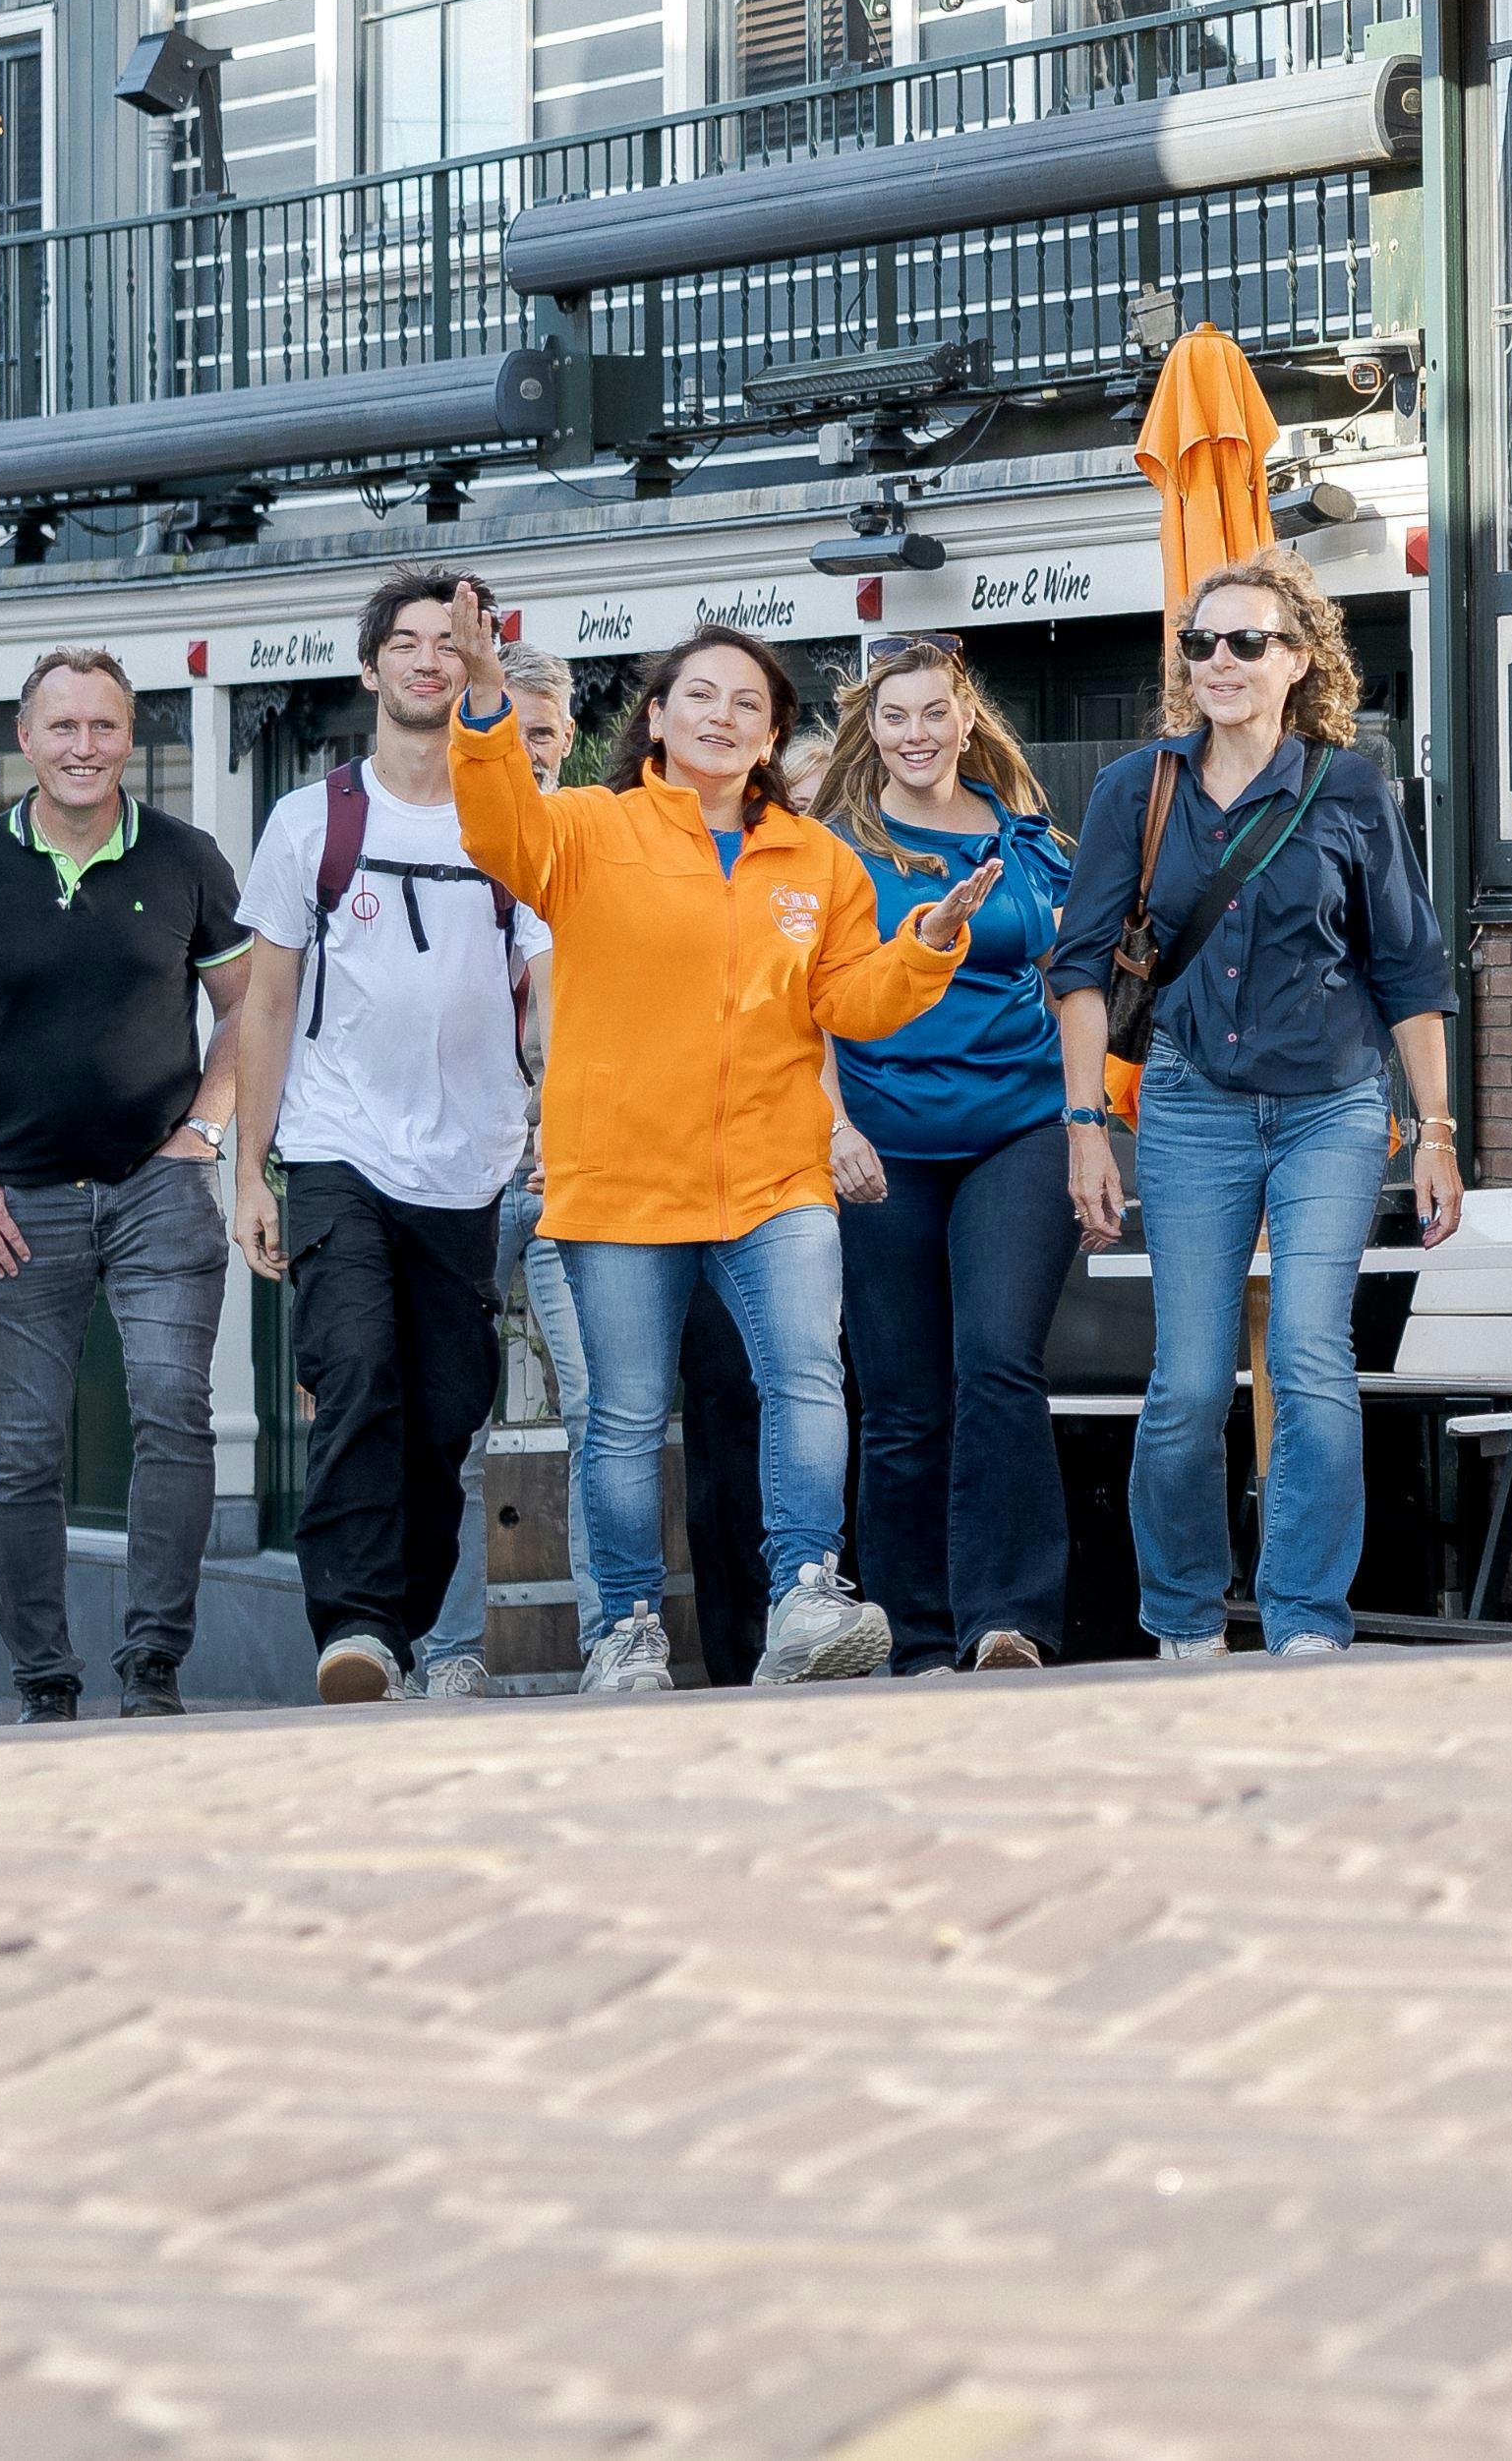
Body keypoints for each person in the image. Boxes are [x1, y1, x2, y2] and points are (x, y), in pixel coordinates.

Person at [447, 617, 989, 1689]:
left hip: (772, 1174)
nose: (722, 716)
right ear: (656, 717)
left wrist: (925, 949)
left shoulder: (815, 857)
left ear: (774, 734)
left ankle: (804, 1595)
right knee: (625, 1417)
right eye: (700, 696)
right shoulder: (586, 830)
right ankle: (627, 1630)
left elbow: (849, 1002)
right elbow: (496, 827)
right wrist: (481, 702)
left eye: (748, 704)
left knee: (803, 1380)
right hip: (619, 1180)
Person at [1044, 557, 1457, 1666]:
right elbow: (1079, 967)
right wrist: (1086, 1123)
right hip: (1187, 1108)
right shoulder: (1137, 789)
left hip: (1330, 1108)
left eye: (1245, 643)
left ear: (1298, 662)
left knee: (1314, 1357)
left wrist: (1436, 1133)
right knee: (1184, 1381)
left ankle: (1305, 1622)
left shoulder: (1351, 789)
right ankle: (1182, 1620)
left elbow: (1410, 972)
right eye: (1199, 643)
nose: (1217, 663)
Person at [0, 648, 251, 1723]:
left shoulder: (187, 860)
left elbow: (245, 1010)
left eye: (104, 728)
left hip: (156, 1189)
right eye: (63, 728)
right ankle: (44, 1683)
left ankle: (153, 1670)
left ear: (131, 740)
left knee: (176, 1412)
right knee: (25, 1450)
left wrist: (206, 1135)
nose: (84, 747)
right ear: (25, 740)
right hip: (14, 1204)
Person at [219, 570, 551, 1704]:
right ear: (370, 669)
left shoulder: (513, 821)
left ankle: (399, 1633)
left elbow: (549, 986)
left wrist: (560, 1097)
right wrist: (249, 1168)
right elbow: (264, 1004)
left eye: (448, 647)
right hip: (334, 1147)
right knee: (353, 1371)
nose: (426, 662)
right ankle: (354, 1625)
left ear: (473, 670)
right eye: (405, 644)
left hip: (472, 1159)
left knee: (447, 1409)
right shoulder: (311, 821)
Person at [815, 635, 1084, 1672]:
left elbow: (1070, 989)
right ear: (869, 728)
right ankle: (914, 1635)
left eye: (934, 713)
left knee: (998, 1364)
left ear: (965, 719)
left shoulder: (1026, 841)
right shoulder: (831, 846)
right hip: (880, 1141)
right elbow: (809, 1015)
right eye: (894, 717)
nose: (916, 734)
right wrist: (834, 1128)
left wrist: (1081, 1120)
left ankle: (1007, 1619)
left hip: (1016, 1130)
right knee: (900, 1398)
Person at [413, 635, 598, 1701]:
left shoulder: (592, 844)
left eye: (536, 734)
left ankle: (614, 1638)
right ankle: (445, 1656)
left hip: (572, 1176)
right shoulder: (436, 849)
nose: (520, 754)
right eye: (496, 733)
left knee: (602, 1411)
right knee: (456, 1424)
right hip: (458, 1181)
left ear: (565, 737)